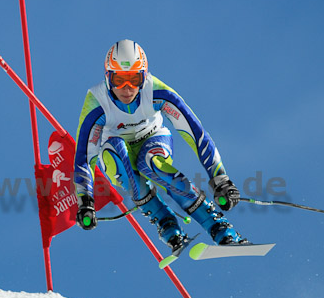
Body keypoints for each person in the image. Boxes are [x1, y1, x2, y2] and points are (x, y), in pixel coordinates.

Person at [73, 39, 245, 257]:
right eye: (119, 80)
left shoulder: (156, 91)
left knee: (152, 164)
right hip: (116, 149)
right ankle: (166, 224)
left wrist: (220, 179)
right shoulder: (96, 103)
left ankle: (218, 227)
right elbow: (85, 156)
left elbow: (196, 133)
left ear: (144, 77)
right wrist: (86, 201)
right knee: (115, 154)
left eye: (134, 79)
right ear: (108, 78)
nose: (127, 89)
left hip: (153, 139)